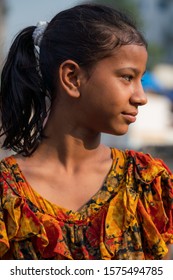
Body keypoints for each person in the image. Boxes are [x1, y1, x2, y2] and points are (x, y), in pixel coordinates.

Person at [0, 3, 173, 260]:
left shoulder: (148, 184)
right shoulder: (7, 195)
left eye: (140, 79)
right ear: (72, 77)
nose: (141, 97)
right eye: (127, 77)